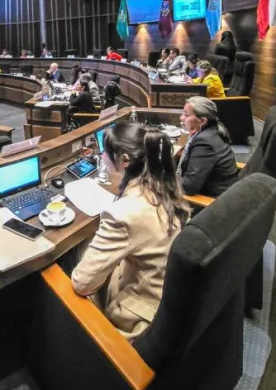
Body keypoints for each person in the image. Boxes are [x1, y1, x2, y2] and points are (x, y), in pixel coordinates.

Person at [71, 122, 190, 340]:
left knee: (74, 259)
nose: (104, 157)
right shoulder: (167, 186)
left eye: (107, 153)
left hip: (138, 318)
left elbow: (82, 284)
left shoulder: (123, 214)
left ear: (124, 160)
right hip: (165, 294)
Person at [177, 97, 239, 198]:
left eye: (186, 115)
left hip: (212, 201)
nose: (181, 118)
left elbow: (188, 187)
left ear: (202, 121)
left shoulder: (204, 143)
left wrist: (166, 181)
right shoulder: (213, 130)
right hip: (219, 190)